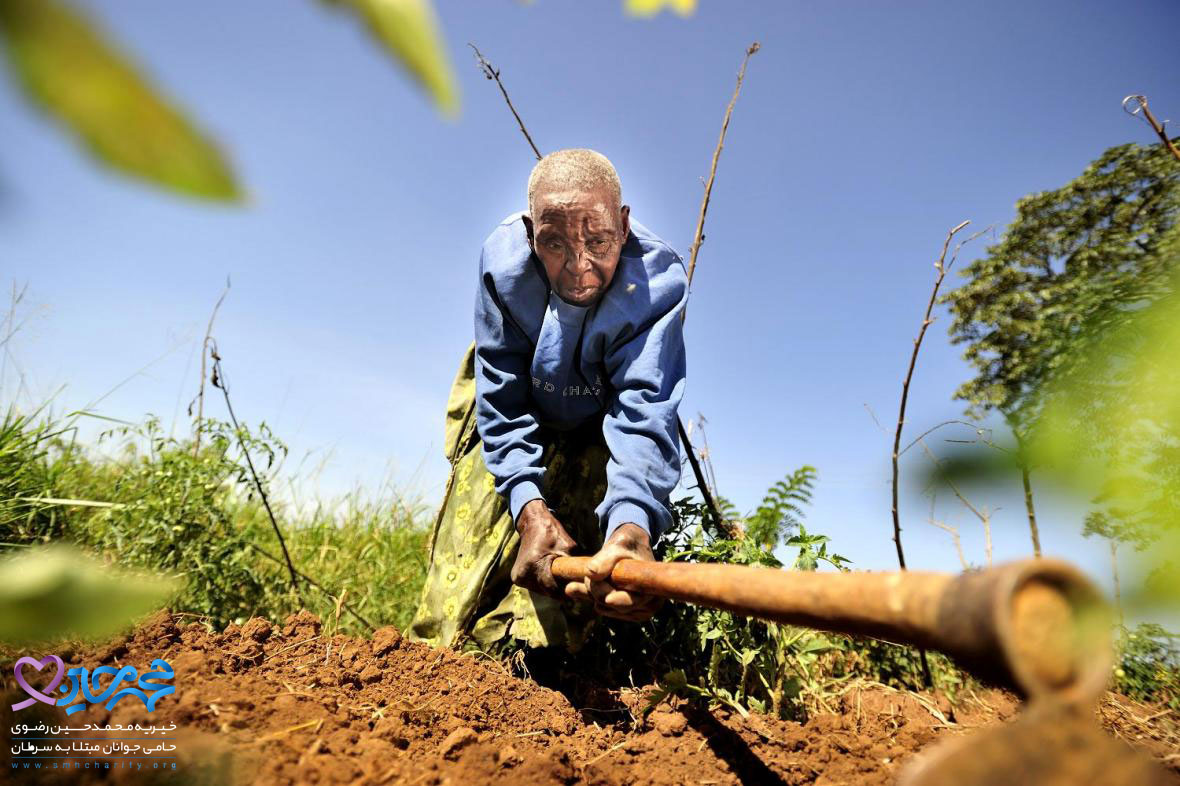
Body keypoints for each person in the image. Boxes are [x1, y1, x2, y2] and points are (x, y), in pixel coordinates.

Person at [408, 148, 688, 653]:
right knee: (453, 591)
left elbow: (644, 410)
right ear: (530, 230)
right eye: (554, 244)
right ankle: (427, 671)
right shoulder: (503, 266)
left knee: (559, 597)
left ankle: (520, 676)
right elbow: (503, 398)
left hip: (596, 429)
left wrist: (632, 523)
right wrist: (528, 506)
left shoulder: (656, 282)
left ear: (623, 227)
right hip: (514, 411)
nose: (579, 267)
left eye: (599, 240)